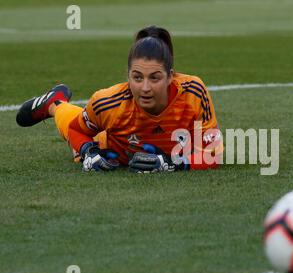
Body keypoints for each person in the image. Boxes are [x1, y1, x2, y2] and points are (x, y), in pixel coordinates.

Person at [16, 26, 223, 173]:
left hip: (172, 157)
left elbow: (214, 153)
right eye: (137, 77)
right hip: (109, 148)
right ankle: (55, 103)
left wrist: (173, 163)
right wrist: (89, 152)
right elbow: (76, 130)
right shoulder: (108, 101)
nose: (145, 88)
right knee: (78, 122)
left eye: (155, 78)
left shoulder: (194, 92)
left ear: (171, 76)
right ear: (127, 75)